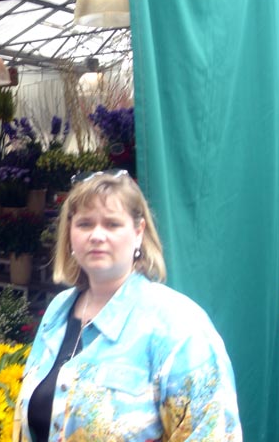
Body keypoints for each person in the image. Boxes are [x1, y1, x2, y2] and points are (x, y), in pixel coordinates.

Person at [14, 169, 242, 441]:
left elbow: (213, 433)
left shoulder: (179, 327)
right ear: (70, 233)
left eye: (112, 224)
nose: (97, 235)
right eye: (85, 224)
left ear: (138, 232)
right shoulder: (58, 312)